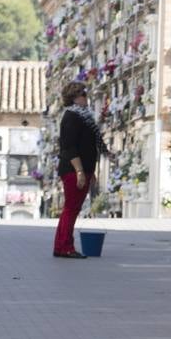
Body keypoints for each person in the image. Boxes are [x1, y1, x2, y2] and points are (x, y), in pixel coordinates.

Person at [54, 81, 109, 258]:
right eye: (84, 94)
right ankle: (65, 247)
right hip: (73, 170)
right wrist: (79, 171)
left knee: (72, 209)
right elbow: (69, 147)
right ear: (75, 98)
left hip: (82, 169)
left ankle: (61, 246)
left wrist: (89, 172)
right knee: (71, 208)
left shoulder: (83, 116)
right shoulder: (72, 117)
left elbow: (87, 146)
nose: (87, 98)